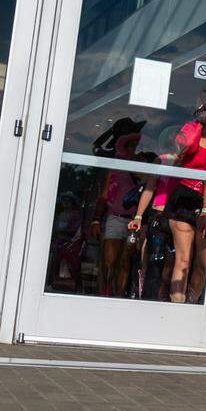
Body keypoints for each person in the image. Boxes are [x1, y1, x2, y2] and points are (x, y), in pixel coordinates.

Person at [165, 90, 206, 304]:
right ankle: (177, 309)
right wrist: (198, 123)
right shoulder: (191, 129)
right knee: (183, 259)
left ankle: (191, 303)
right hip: (185, 196)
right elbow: (181, 149)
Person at [90, 121, 145, 297]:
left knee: (125, 262)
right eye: (129, 144)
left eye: (135, 145)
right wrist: (96, 219)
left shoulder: (143, 163)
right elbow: (105, 194)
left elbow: (149, 186)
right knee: (109, 261)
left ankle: (119, 296)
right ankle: (104, 295)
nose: (133, 148)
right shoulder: (116, 162)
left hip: (133, 220)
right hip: (115, 217)